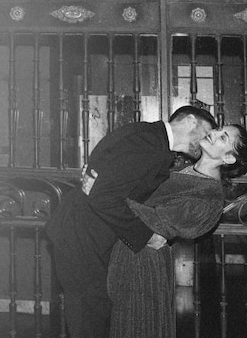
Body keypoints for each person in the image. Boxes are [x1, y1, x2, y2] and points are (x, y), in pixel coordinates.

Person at [45, 106, 217, 338]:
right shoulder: (148, 144)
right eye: (206, 133)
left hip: (82, 234)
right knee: (90, 320)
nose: (206, 140)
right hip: (81, 238)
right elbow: (104, 197)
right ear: (189, 121)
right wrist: (147, 235)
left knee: (93, 315)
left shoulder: (148, 137)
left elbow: (106, 185)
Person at [83, 124, 247, 338]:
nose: (213, 133)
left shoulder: (210, 198)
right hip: (128, 249)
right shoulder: (179, 168)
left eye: (223, 137)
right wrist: (107, 186)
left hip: (144, 263)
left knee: (136, 327)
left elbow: (154, 222)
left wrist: (103, 190)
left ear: (229, 158)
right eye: (218, 129)